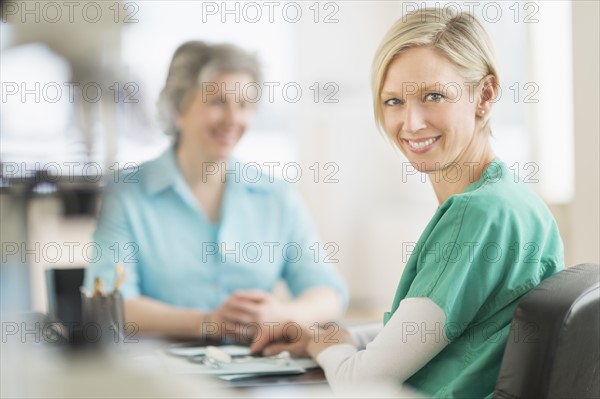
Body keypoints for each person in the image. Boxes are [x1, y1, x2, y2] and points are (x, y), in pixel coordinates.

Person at [251, 8, 564, 398]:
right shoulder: (513, 199)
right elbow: (440, 331)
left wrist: (322, 345)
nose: (411, 122)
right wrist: (342, 336)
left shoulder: (476, 215)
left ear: (484, 95)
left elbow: (359, 380)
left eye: (433, 96)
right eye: (394, 101)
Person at [84, 41, 347, 341]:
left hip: (257, 372)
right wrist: (206, 322)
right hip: (163, 378)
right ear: (178, 108)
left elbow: (328, 293)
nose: (233, 119)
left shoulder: (276, 195)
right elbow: (109, 303)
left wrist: (283, 316)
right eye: (218, 102)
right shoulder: (128, 193)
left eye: (244, 105)